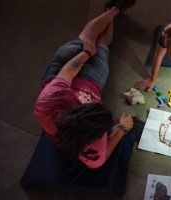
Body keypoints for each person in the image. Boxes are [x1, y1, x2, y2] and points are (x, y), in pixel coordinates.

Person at [35, 1, 135, 169]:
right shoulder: (92, 150)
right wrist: (122, 130)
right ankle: (114, 9)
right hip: (92, 81)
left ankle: (114, 9)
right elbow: (103, 156)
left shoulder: (47, 103)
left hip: (59, 73)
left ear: (76, 108)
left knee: (87, 38)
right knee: (103, 45)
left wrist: (87, 52)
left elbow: (66, 72)